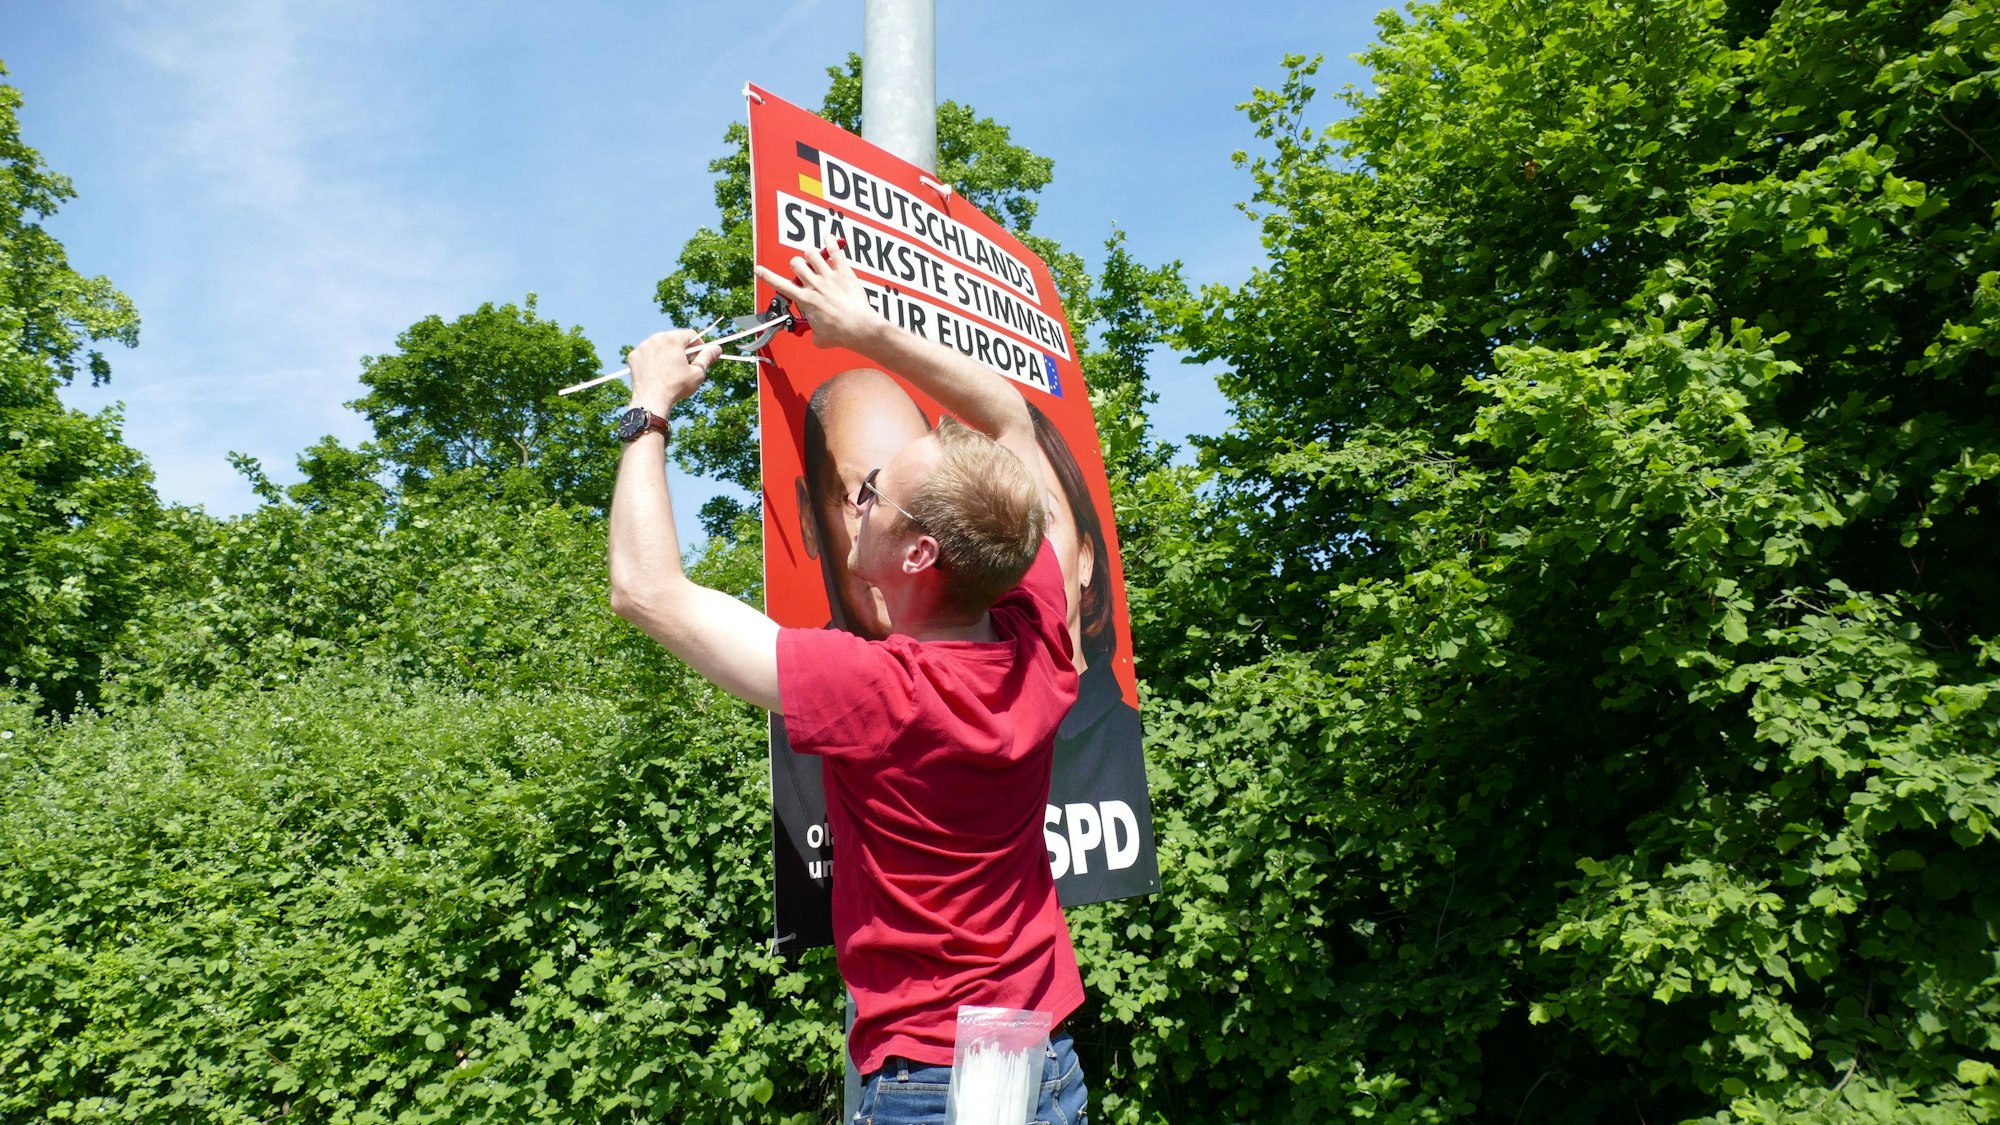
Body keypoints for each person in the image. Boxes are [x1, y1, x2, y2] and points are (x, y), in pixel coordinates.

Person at [607, 243, 1089, 1124]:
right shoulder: (1040, 632)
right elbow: (1013, 420)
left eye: (873, 495)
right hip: (1041, 1050)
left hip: (932, 1086)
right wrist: (866, 329)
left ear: (916, 556)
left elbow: (645, 590)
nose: (857, 504)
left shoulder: (879, 689)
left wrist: (648, 409)